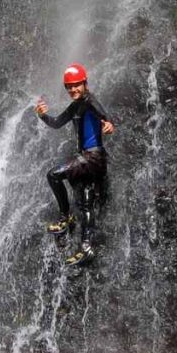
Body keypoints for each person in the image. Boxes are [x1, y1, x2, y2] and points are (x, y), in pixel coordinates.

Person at [36, 63, 115, 266]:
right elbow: (56, 123)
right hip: (87, 160)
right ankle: (87, 247)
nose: (73, 90)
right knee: (85, 202)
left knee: (53, 175)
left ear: (85, 83)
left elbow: (102, 114)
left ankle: (65, 218)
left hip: (93, 157)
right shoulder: (74, 106)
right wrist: (43, 115)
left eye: (76, 85)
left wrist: (107, 123)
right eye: (69, 87)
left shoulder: (89, 100)